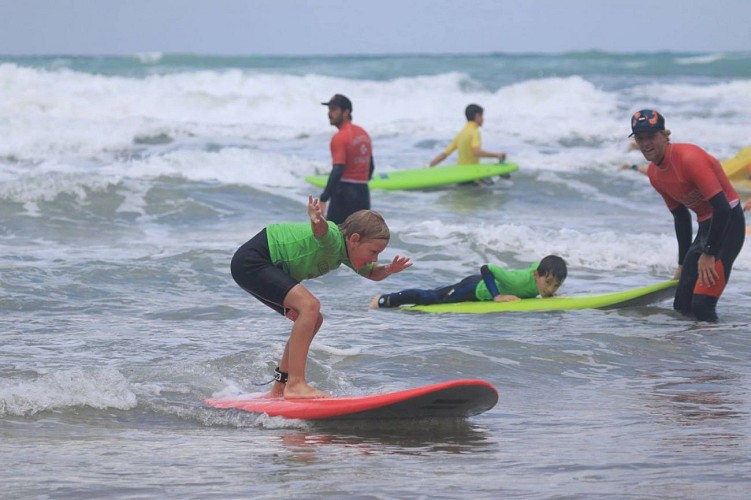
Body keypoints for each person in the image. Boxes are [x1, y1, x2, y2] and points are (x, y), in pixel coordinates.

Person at [231, 196, 412, 398]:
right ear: (354, 240)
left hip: (261, 265)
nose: (374, 258)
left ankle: (281, 387)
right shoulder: (334, 239)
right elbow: (323, 232)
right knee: (310, 306)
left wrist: (388, 269)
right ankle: (296, 384)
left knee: (313, 318)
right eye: (373, 251)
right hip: (253, 261)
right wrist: (317, 220)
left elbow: (371, 273)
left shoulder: (345, 252)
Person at [629, 109, 745, 322]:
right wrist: (683, 264)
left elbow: (722, 208)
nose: (645, 143)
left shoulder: (690, 158)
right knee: (682, 305)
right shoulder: (655, 174)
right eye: (640, 138)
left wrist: (708, 254)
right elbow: (680, 217)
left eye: (651, 136)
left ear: (665, 135)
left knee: (702, 305)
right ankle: (691, 353)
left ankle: (718, 353)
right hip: (706, 227)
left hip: (728, 223)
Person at [370, 255, 567, 309]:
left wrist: (551, 289)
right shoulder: (517, 281)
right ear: (536, 275)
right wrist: (497, 296)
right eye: (548, 283)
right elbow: (487, 268)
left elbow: (538, 264)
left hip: (475, 286)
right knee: (429, 297)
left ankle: (385, 299)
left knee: (437, 292)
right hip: (473, 289)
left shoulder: (540, 272)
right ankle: (383, 300)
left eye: (555, 285)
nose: (550, 289)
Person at [319, 94, 374, 224]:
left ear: (346, 112)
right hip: (363, 194)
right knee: (358, 239)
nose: (329, 113)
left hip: (344, 194)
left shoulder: (340, 137)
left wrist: (324, 198)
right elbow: (371, 167)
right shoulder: (364, 134)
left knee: (334, 238)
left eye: (334, 110)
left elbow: (338, 169)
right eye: (329, 110)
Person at [429, 104, 507, 167]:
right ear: (477, 116)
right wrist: (497, 155)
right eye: (482, 116)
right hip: (472, 176)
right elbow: (476, 152)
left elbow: (444, 155)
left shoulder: (460, 134)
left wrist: (429, 166)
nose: (483, 119)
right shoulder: (474, 132)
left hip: (461, 176)